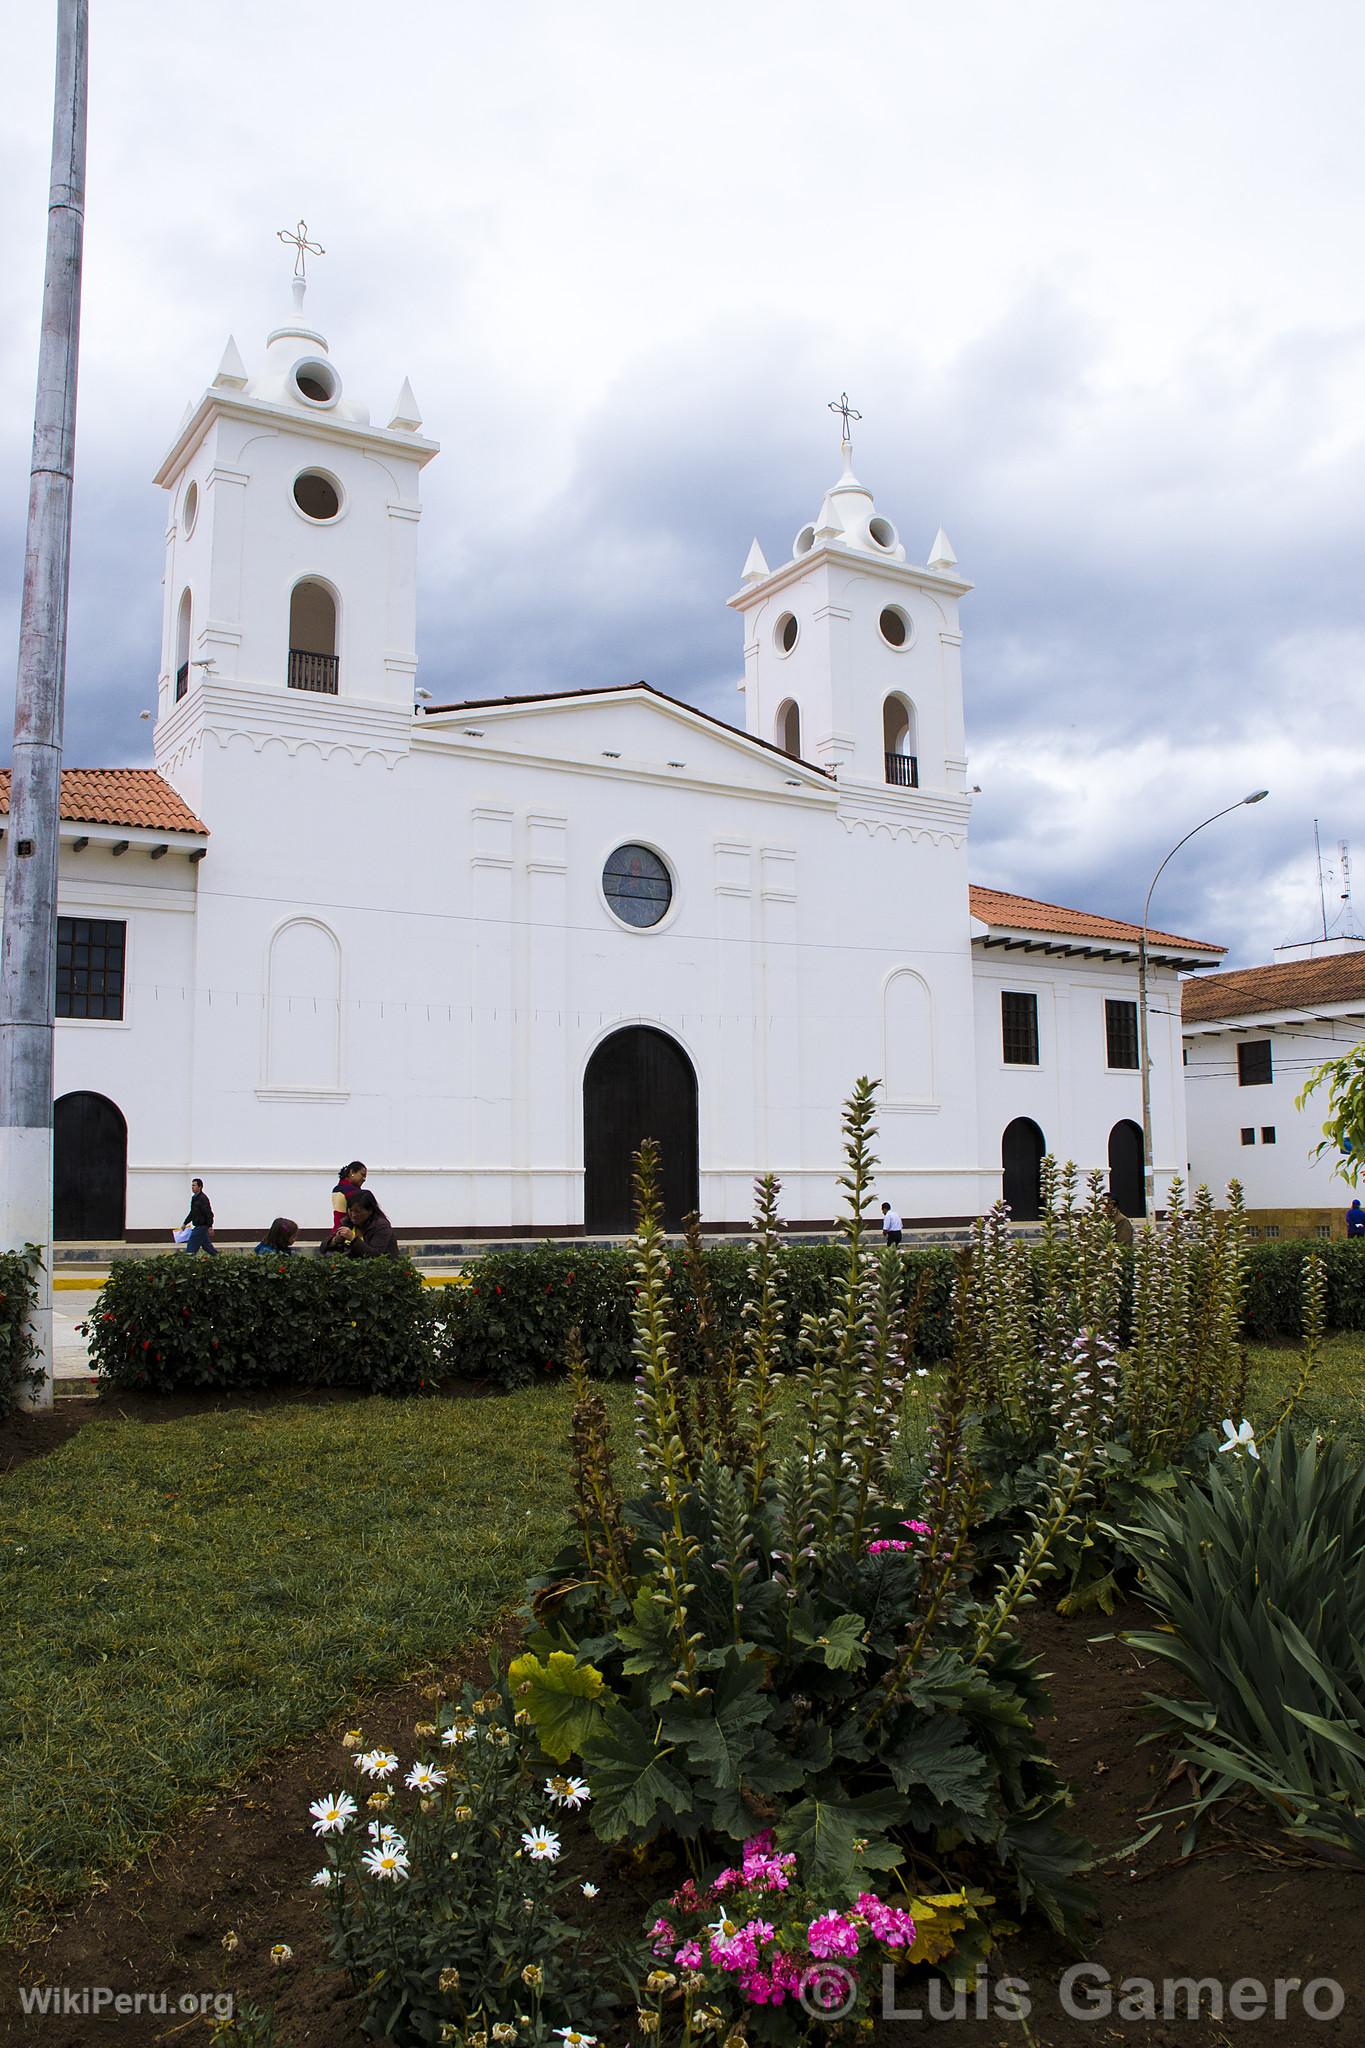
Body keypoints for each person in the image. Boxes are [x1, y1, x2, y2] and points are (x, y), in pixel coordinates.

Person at [342, 1188, 402, 1260]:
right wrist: (335, 1240)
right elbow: (325, 1247)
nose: (353, 1215)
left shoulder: (381, 1226)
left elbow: (375, 1254)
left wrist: (353, 1239)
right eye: (351, 1210)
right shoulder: (347, 1223)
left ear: (370, 1211)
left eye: (358, 1211)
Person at [331, 1161, 367, 1237]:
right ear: (352, 1172)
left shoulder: (337, 1188)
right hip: (349, 1232)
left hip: (337, 1230)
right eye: (362, 1175)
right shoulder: (350, 1191)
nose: (364, 1179)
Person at [182, 1177, 216, 1255]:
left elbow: (208, 1213)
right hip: (198, 1225)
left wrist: (210, 1226)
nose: (192, 1187)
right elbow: (193, 1213)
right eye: (192, 1185)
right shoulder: (195, 1198)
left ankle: (188, 1260)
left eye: (194, 1185)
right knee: (206, 1246)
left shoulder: (203, 1198)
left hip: (201, 1226)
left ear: (199, 1187)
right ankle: (219, 1258)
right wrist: (185, 1223)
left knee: (192, 1243)